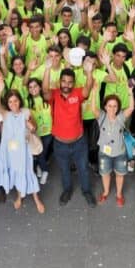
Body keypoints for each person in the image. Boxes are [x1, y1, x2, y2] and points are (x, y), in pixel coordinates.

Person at [41, 56, 97, 207]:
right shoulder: (53, 94)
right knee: (64, 170)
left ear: (73, 83)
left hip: (79, 142)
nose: (67, 84)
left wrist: (89, 73)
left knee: (83, 168)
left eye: (70, 82)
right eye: (64, 81)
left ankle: (87, 191)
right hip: (60, 144)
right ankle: (67, 190)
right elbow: (45, 90)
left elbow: (88, 89)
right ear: (60, 82)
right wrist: (47, 69)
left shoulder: (78, 93)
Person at [0, 77, 46, 213]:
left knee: (28, 172)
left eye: (15, 100)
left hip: (24, 150)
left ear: (19, 101)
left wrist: (31, 126)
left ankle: (36, 199)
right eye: (10, 101)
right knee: (15, 172)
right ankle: (19, 197)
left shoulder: (26, 112)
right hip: (10, 151)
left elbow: (34, 128)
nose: (13, 103)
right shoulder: (6, 114)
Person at [90, 88, 135, 206]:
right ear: (105, 107)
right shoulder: (101, 117)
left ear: (118, 108)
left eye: (115, 106)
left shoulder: (121, 117)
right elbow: (93, 108)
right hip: (104, 153)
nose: (112, 109)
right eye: (109, 106)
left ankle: (119, 194)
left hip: (120, 153)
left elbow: (131, 108)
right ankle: (105, 192)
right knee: (105, 174)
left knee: (120, 175)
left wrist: (130, 93)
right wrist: (94, 92)